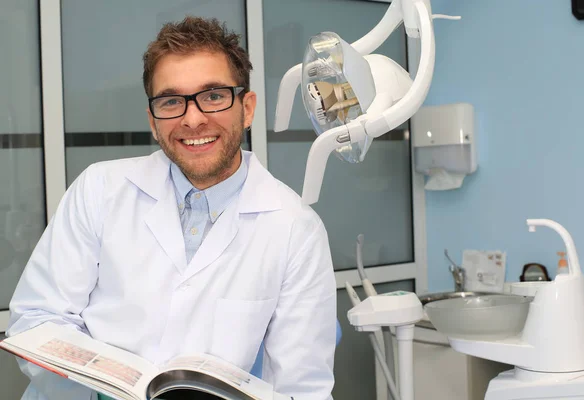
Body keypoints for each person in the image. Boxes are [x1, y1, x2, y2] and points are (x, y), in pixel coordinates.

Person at [7, 16, 337, 400]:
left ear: (246, 109)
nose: (192, 119)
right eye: (171, 101)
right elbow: (36, 319)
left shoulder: (296, 228)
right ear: (153, 120)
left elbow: (303, 390)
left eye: (213, 95)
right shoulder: (99, 189)